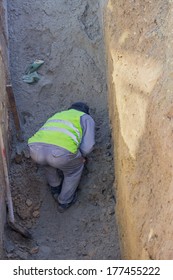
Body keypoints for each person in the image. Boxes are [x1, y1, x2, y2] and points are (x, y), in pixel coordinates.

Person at [28, 102, 95, 212]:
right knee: (74, 171)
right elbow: (88, 146)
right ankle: (64, 201)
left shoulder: (58, 114)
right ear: (85, 112)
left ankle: (55, 187)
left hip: (35, 149)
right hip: (61, 154)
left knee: (47, 164)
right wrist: (81, 157)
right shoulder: (86, 118)